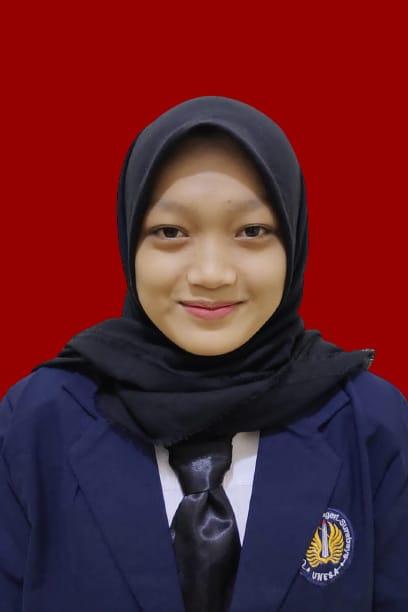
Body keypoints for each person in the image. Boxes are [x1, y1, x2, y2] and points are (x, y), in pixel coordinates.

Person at [0, 95, 407, 612]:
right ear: (130, 240)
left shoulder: (373, 425)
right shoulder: (35, 422)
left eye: (252, 231)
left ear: (294, 239)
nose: (211, 273)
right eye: (170, 232)